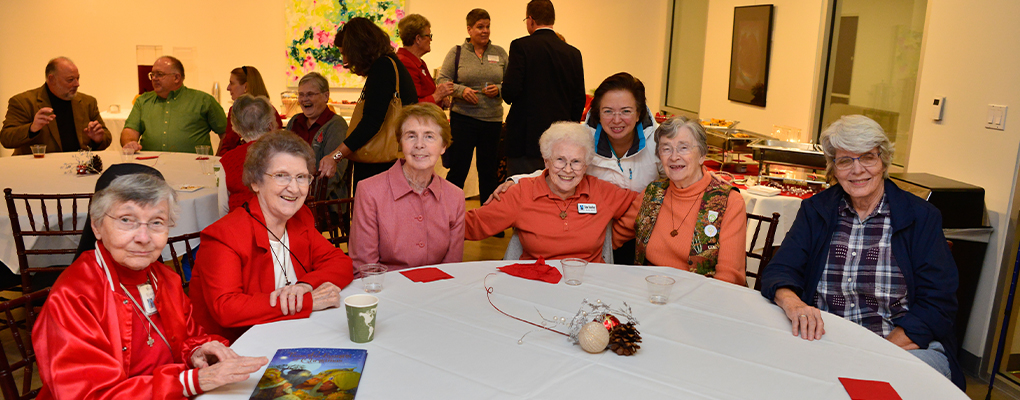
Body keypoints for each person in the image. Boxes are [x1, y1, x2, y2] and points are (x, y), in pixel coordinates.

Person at [760, 115, 965, 389]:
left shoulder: (920, 217)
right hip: (825, 339)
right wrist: (795, 304)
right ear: (834, 168)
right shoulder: (817, 210)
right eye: (845, 160)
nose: (857, 170)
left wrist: (876, 354)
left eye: (867, 157)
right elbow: (779, 271)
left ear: (883, 161)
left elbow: (938, 304)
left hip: (904, 345)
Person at [33, 173, 268, 399]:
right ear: (96, 226)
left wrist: (197, 352)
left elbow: (187, 338)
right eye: (127, 220)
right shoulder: (73, 296)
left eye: (157, 222)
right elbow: (89, 394)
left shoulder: (164, 278)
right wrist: (189, 382)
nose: (144, 237)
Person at [190, 131, 354, 342]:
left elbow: (341, 263)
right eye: (281, 176)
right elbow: (227, 308)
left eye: (302, 177)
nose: (294, 188)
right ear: (256, 183)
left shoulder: (299, 217)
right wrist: (307, 301)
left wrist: (305, 286)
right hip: (236, 348)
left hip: (291, 333)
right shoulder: (224, 236)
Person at [492, 72, 660, 263]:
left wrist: (621, 232)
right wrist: (516, 181)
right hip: (592, 233)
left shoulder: (658, 144)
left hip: (643, 232)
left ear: (639, 113)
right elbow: (560, 168)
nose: (616, 119)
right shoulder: (583, 139)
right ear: (597, 112)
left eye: (626, 111)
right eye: (608, 111)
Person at [466, 122, 637, 262]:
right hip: (536, 284)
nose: (568, 170)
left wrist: (616, 235)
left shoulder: (600, 191)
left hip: (588, 286)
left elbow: (647, 203)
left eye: (576, 161)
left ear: (586, 165)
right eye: (560, 160)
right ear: (546, 161)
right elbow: (473, 225)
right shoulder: (521, 193)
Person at [614, 117, 747, 285]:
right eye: (666, 149)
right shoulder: (653, 194)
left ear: (702, 155)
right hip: (648, 293)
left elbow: (729, 277)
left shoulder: (728, 202)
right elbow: (612, 237)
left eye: (683, 148)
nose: (674, 157)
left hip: (700, 299)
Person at [350, 103, 464, 271]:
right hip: (385, 293)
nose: (419, 144)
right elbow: (365, 270)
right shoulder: (369, 191)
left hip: (438, 293)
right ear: (400, 144)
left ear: (443, 146)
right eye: (411, 136)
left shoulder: (455, 196)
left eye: (429, 136)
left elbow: (452, 269)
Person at [322, 17, 418, 192]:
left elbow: (371, 123)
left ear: (358, 49)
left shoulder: (383, 68)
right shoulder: (388, 64)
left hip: (381, 165)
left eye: (345, 54)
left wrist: (335, 156)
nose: (345, 61)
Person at [502, 0, 585, 176]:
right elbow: (579, 99)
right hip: (560, 139)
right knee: (556, 191)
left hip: (525, 138)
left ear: (530, 20)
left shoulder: (521, 46)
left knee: (522, 191)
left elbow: (510, 92)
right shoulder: (573, 53)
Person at [437, 8, 509, 206]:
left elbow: (511, 83)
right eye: (480, 27)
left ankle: (489, 217)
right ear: (469, 29)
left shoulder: (500, 53)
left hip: (492, 121)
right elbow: (442, 80)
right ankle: (447, 213)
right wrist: (461, 91)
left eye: (487, 26)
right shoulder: (457, 52)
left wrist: (500, 89)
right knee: (459, 168)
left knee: (488, 171)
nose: (485, 31)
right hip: (464, 120)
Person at [1, 57, 111, 155]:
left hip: (78, 169)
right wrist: (32, 128)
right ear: (52, 79)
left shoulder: (88, 102)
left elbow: (106, 137)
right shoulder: (23, 102)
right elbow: (6, 138)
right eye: (70, 79)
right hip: (37, 170)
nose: (77, 84)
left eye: (78, 78)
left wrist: (98, 139)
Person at [121, 56, 227, 153]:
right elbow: (130, 131)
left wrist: (218, 160)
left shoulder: (203, 100)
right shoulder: (143, 101)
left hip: (193, 168)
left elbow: (227, 134)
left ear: (176, 78)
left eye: (159, 74)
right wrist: (129, 143)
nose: (154, 78)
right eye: (152, 74)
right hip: (150, 167)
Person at [285, 72, 349, 202]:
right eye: (301, 95)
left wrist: (304, 198)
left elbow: (331, 175)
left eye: (310, 94)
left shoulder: (336, 125)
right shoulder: (295, 122)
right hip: (292, 195)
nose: (304, 99)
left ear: (326, 96)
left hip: (323, 203)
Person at [218, 95, 278, 215]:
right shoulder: (284, 152)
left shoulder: (228, 160)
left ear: (236, 128)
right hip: (280, 226)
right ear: (270, 124)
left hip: (241, 226)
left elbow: (223, 207)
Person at [217, 66, 283, 155]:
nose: (228, 88)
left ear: (246, 86)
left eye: (232, 83)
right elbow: (227, 145)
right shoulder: (272, 111)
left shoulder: (270, 112)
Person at [396, 14, 454, 106]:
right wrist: (437, 96)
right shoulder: (405, 63)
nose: (430, 40)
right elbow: (411, 105)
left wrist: (440, 97)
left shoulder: (418, 62)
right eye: (429, 35)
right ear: (418, 39)